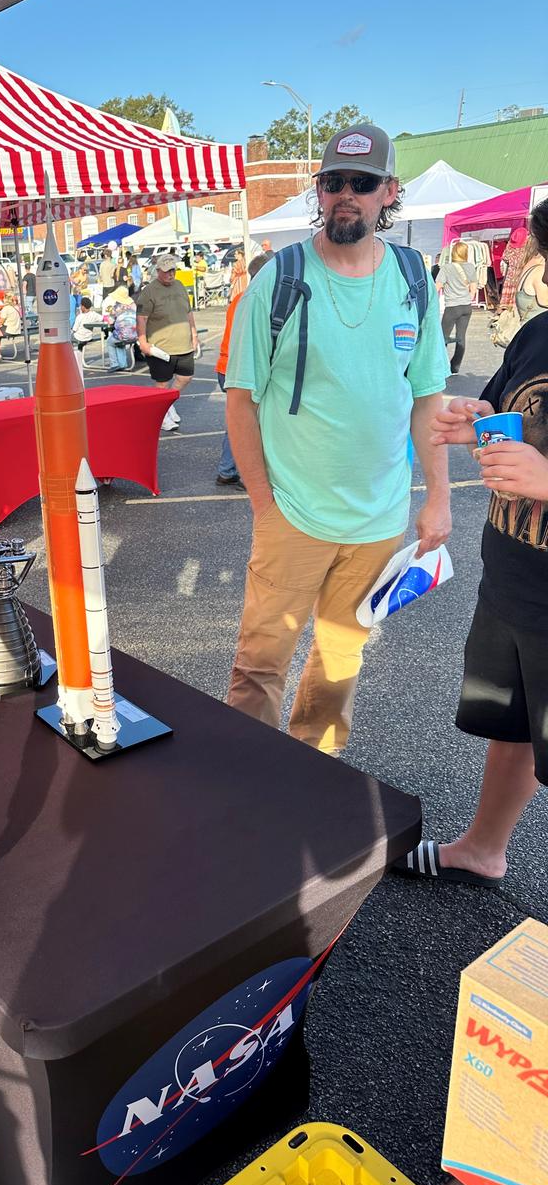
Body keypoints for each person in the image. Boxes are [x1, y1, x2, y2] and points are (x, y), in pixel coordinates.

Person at [224, 123, 451, 756]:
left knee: (339, 661)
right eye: (332, 183)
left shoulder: (414, 279)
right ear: (318, 192)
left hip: (379, 519)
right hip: (293, 514)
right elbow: (240, 402)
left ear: (389, 193)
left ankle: (313, 782)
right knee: (260, 665)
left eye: (362, 183)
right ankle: (243, 780)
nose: (344, 195)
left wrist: (437, 496)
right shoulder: (280, 280)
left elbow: (427, 395)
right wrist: (265, 506)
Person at [396, 198, 548, 888]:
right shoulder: (539, 332)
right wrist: (478, 422)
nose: (529, 266)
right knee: (512, 726)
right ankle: (484, 849)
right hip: (514, 578)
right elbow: (509, 414)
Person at [214, 253, 270, 486]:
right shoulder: (258, 299)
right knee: (249, 422)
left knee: (239, 419)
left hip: (227, 366)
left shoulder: (240, 298)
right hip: (241, 368)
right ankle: (244, 474)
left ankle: (228, 469)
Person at [136, 250, 199, 434]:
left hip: (183, 344)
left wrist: (194, 334)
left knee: (186, 377)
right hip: (161, 346)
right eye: (167, 271)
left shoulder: (179, 286)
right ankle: (163, 416)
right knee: (162, 384)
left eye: (173, 270)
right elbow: (141, 318)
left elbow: (188, 312)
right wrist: (143, 342)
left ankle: (168, 405)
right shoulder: (149, 292)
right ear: (158, 271)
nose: (171, 274)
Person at [437, 240, 477, 374]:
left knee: (443, 337)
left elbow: (437, 286)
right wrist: (465, 297)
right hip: (466, 307)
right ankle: (455, 366)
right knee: (461, 336)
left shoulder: (446, 268)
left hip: (452, 307)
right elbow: (473, 289)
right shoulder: (471, 267)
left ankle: (441, 366)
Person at [104, 284, 138, 371]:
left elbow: (110, 321)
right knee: (118, 342)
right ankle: (123, 364)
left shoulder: (117, 307)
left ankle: (114, 364)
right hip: (135, 335)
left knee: (110, 341)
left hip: (123, 335)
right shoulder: (134, 306)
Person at [72, 295, 96, 369]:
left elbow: (74, 329)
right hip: (88, 336)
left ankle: (72, 358)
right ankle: (78, 354)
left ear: (83, 306)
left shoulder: (80, 317)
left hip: (79, 336)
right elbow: (102, 318)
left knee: (67, 339)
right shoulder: (94, 314)